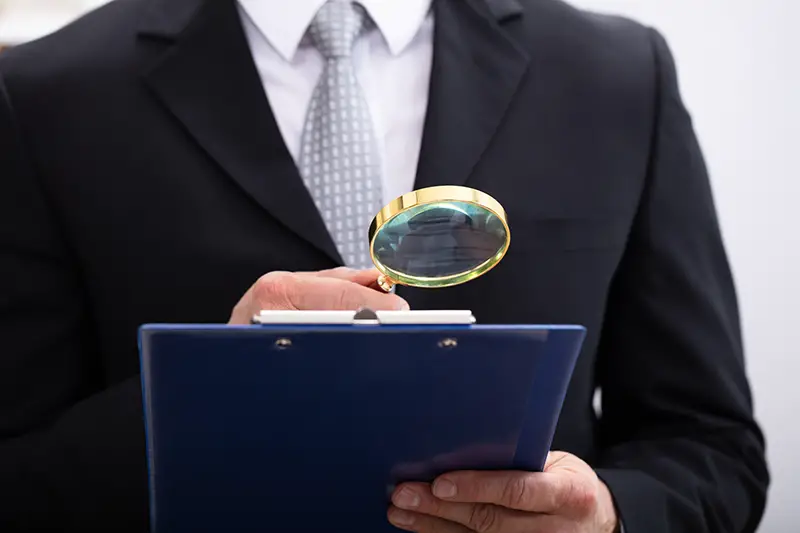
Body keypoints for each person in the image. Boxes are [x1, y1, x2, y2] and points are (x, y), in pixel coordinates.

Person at [0, 0, 769, 531]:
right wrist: (203, 387)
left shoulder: (617, 75)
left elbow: (711, 446)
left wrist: (609, 514)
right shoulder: (47, 94)